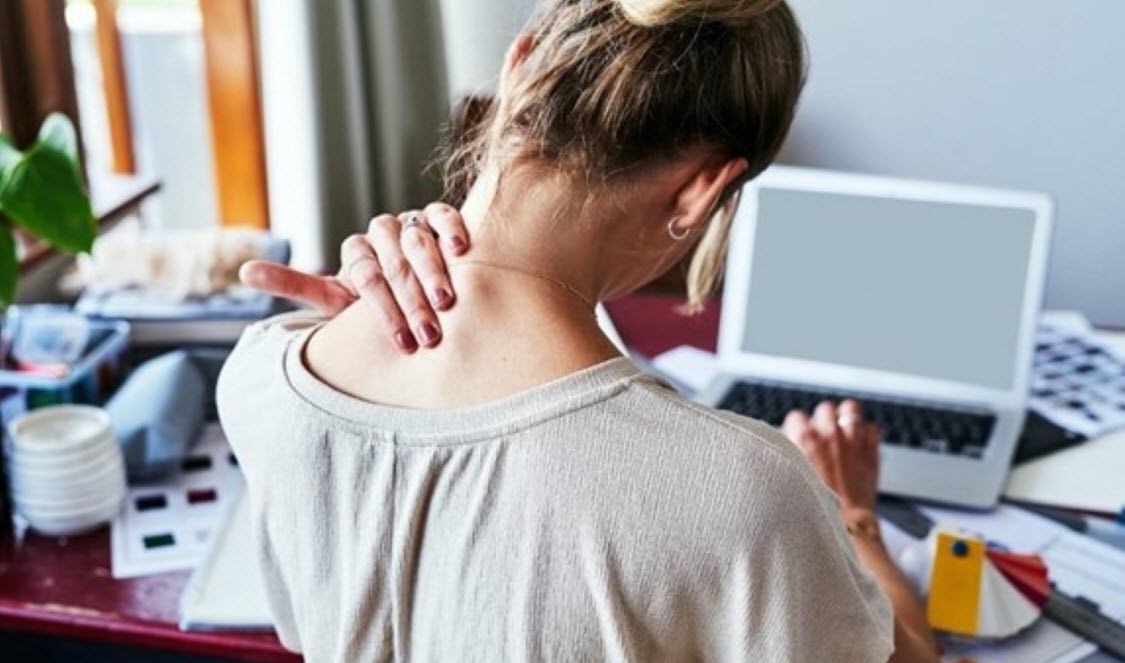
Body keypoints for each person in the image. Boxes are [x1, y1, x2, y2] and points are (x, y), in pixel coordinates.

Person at [218, 0, 943, 661]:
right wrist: (850, 515)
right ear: (702, 190)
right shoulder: (745, 493)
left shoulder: (261, 378)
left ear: (514, 67)